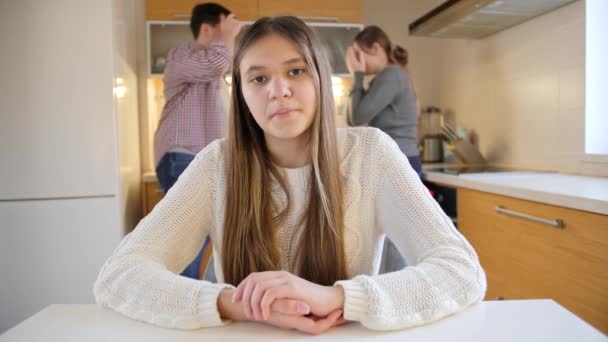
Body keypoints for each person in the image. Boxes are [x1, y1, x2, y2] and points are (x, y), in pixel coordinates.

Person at [94, 16, 486, 335]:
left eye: (295, 71)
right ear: (242, 94)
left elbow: (461, 272)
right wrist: (232, 303)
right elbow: (118, 276)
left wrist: (337, 297)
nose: (278, 91)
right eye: (259, 78)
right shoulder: (218, 164)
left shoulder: (371, 153)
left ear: (318, 78)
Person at [153, 3, 242, 280]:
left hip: (200, 158)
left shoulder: (214, 70)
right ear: (206, 28)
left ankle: (190, 296)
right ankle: (182, 301)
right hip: (183, 155)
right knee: (187, 239)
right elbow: (217, 62)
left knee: (199, 236)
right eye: (227, 26)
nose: (232, 35)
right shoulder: (182, 54)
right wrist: (227, 37)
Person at [345, 26, 421, 275]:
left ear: (376, 48)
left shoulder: (391, 75)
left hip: (400, 161)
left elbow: (357, 117)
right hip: (400, 159)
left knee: (393, 235)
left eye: (359, 55)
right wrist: (357, 78)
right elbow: (353, 117)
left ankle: (395, 293)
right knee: (392, 232)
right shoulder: (387, 77)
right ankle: (391, 290)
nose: (357, 62)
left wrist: (356, 75)